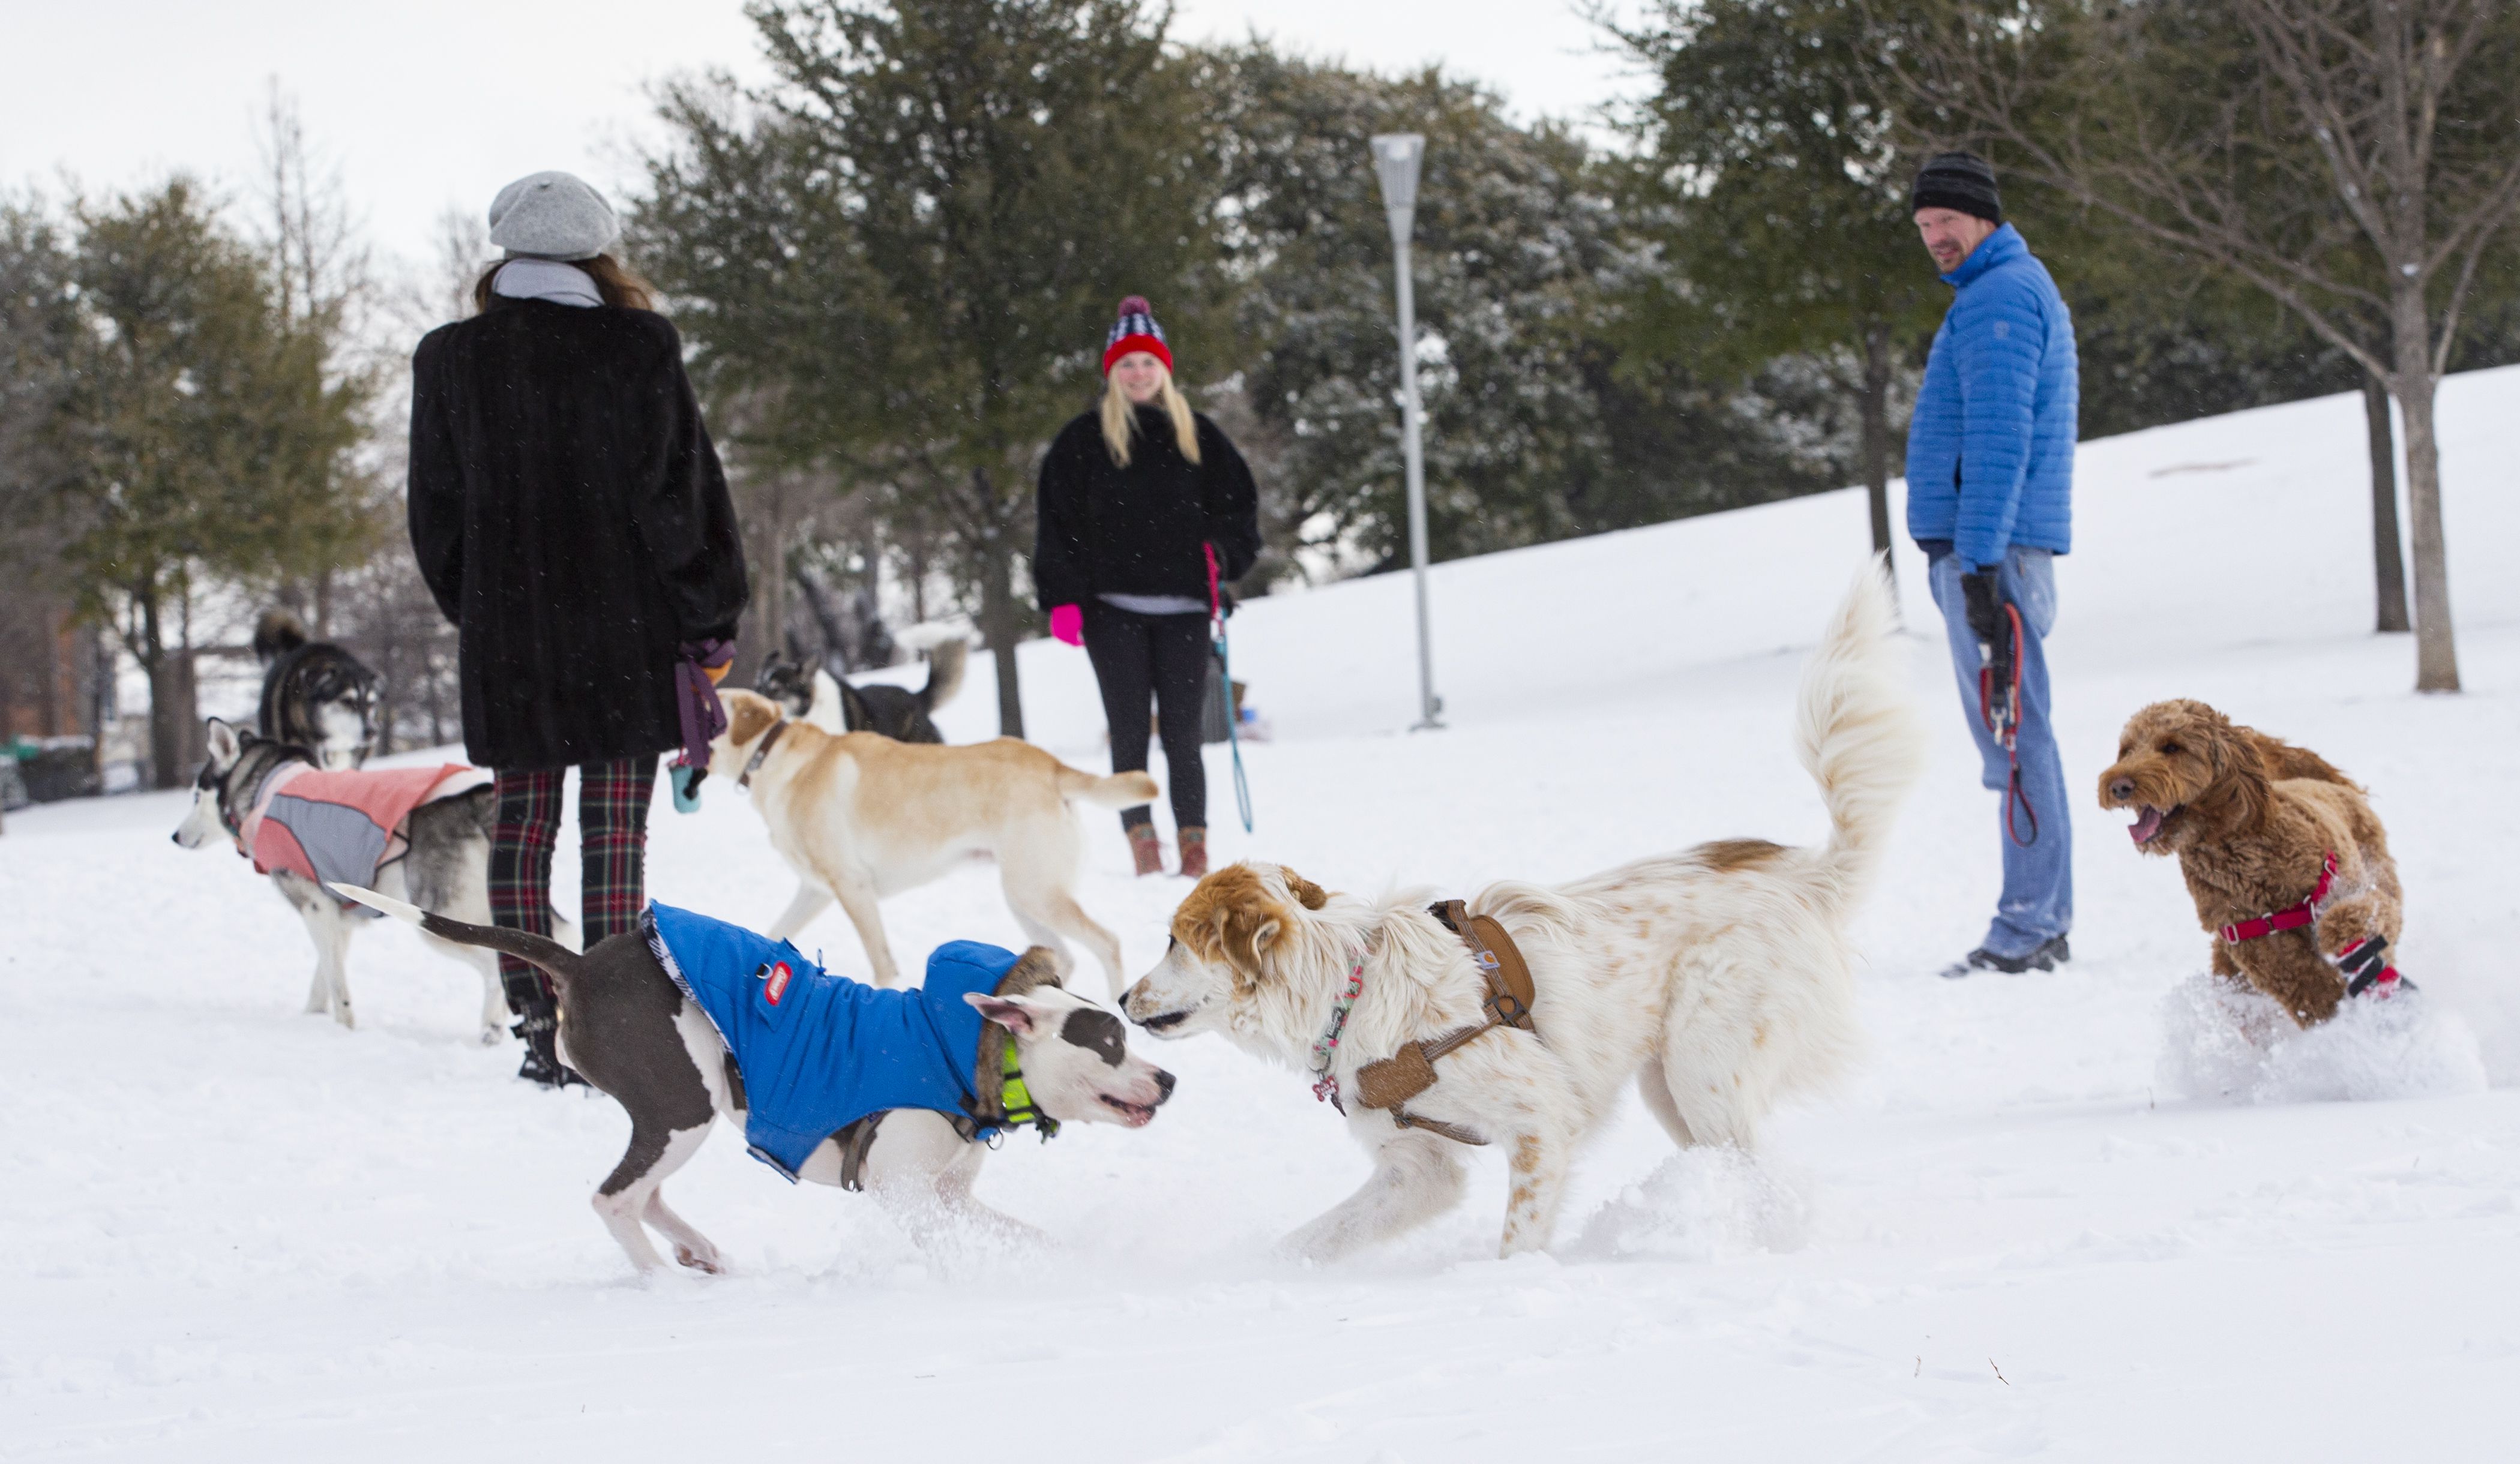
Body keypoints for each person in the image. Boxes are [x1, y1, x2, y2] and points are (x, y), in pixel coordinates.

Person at [409, 171, 748, 1084]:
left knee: (520, 832)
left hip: (507, 641)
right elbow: (682, 496)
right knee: (612, 838)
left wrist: (476, 606)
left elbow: (433, 518)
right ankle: (607, 1027)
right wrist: (707, 613)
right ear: (600, 252)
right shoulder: (636, 347)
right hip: (622, 632)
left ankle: (535, 1024)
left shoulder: (450, 358)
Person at [1904, 151, 2080, 978]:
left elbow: (1998, 441)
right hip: (1993, 548)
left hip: (1993, 551)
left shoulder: (2000, 298)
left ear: (1980, 216)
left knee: (2016, 736)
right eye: (1922, 226)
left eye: (1945, 221)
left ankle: (2029, 926)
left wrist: (1973, 564)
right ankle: (2038, 917)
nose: (1934, 237)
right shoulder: (1993, 291)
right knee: (2015, 734)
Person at [1034, 296, 1261, 880]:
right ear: (1113, 372)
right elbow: (1056, 523)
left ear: (1165, 369)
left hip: (1186, 608)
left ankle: (1192, 850)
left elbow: (1240, 514)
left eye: (1148, 363)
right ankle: (1142, 845)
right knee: (1129, 730)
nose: (1138, 374)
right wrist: (1061, 597)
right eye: (1127, 364)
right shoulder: (1083, 441)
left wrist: (1222, 555)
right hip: (1112, 613)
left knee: (1183, 735)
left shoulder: (1200, 439)